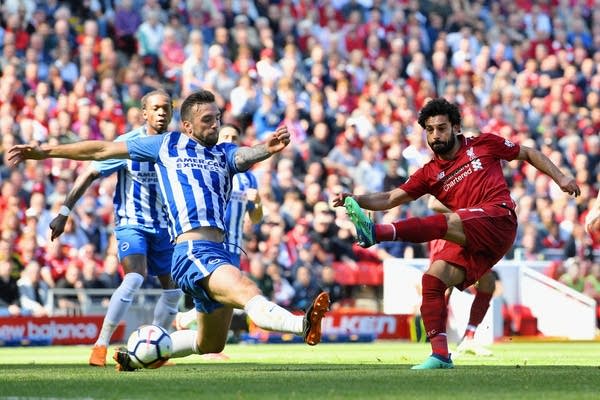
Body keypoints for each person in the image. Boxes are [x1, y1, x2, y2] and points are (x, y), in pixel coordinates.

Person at [8, 89, 330, 372]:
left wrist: (266, 148)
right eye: (207, 120)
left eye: (217, 118)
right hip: (191, 251)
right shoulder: (168, 145)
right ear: (188, 126)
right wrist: (46, 151)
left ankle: (136, 357)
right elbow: (102, 151)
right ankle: (302, 324)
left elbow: (244, 156)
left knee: (211, 344)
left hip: (214, 251)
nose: (215, 125)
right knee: (246, 288)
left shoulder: (223, 154)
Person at [332, 98, 580, 369]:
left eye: (441, 128)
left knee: (448, 222)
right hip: (471, 235)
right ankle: (440, 355)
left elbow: (529, 153)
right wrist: (354, 199)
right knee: (433, 280)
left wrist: (561, 178)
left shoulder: (484, 144)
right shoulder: (429, 173)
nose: (435, 135)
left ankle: (376, 233)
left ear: (456, 127)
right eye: (429, 130)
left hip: (499, 219)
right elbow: (390, 197)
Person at [48, 89, 183, 367]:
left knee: (174, 291)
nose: (161, 113)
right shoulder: (128, 144)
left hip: (165, 228)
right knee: (134, 278)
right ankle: (101, 345)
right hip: (131, 223)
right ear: (144, 112)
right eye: (155, 108)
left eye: (166, 108)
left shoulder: (177, 145)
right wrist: (64, 212)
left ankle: (155, 345)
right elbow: (90, 172)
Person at [174, 124, 264, 338]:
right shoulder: (206, 167)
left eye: (234, 136)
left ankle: (189, 323)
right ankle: (195, 331)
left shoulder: (248, 178)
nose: (230, 140)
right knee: (223, 297)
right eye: (225, 136)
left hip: (233, 245)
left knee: (227, 300)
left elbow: (256, 218)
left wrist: (258, 203)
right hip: (209, 243)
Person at [428, 196, 494, 357]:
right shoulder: (450, 174)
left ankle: (469, 338)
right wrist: (468, 212)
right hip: (449, 232)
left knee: (488, 283)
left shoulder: (482, 177)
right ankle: (438, 342)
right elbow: (433, 203)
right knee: (444, 288)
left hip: (472, 234)